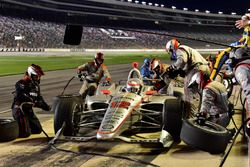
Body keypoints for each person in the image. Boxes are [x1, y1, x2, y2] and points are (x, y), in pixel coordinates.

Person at [165, 38, 210, 118]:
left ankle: (191, 119)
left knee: (189, 94)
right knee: (201, 94)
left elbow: (182, 60)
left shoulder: (180, 49)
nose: (172, 54)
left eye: (171, 51)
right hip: (204, 69)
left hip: (196, 70)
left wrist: (174, 68)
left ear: (172, 47)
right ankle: (202, 115)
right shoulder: (188, 49)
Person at [12, 64, 50, 138]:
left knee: (38, 130)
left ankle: (26, 125)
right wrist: (34, 102)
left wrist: (46, 106)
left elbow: (39, 98)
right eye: (36, 76)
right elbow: (21, 96)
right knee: (25, 134)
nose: (38, 78)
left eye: (39, 77)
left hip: (29, 111)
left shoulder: (36, 86)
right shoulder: (21, 83)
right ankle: (13, 128)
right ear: (30, 74)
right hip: (19, 110)